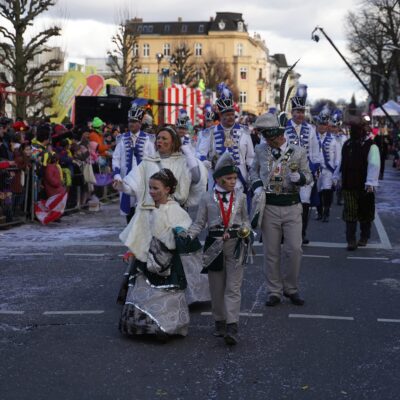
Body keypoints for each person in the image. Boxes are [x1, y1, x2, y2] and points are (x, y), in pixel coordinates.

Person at [115, 125, 210, 304]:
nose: (160, 141)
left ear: (173, 142)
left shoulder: (182, 160)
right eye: (158, 138)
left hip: (172, 213)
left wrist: (189, 154)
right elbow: (133, 185)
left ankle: (179, 293)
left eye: (164, 138)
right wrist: (122, 187)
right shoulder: (148, 162)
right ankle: (146, 294)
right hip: (148, 214)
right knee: (146, 253)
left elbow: (197, 178)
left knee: (173, 252)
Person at [118, 169, 191, 339]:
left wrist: (177, 233)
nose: (151, 191)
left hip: (167, 260)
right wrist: (131, 250)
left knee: (166, 292)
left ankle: (167, 326)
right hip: (144, 258)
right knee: (143, 290)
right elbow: (137, 232)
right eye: (150, 187)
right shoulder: (144, 208)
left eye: (156, 188)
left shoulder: (176, 211)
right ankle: (142, 326)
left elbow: (182, 233)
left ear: (167, 189)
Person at [187, 152, 251, 345]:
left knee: (233, 287)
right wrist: (188, 236)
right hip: (214, 245)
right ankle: (220, 321)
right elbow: (199, 223)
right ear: (218, 179)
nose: (233, 182)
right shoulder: (207, 198)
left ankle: (232, 325)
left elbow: (245, 219)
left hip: (236, 244)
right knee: (216, 287)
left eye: (235, 178)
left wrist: (246, 230)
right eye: (229, 178)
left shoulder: (240, 197)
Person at [250, 112, 312, 307]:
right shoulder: (260, 150)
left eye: (272, 139)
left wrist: (300, 178)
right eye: (267, 139)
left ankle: (291, 288)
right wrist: (257, 186)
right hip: (269, 206)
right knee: (271, 251)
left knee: (294, 250)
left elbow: (309, 176)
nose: (269, 142)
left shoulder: (298, 151)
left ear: (280, 135)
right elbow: (253, 171)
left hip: (292, 205)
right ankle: (274, 290)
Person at [196, 83, 254, 191]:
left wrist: (252, 175)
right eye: (227, 115)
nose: (230, 117)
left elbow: (250, 158)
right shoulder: (210, 133)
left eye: (232, 114)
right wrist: (205, 161)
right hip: (216, 181)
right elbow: (199, 153)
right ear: (220, 116)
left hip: (239, 183)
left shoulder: (245, 132)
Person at [333, 118, 380, 250]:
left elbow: (374, 165)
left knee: (365, 212)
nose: (353, 131)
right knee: (350, 212)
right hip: (349, 184)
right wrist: (337, 176)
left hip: (365, 185)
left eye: (356, 128)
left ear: (362, 130)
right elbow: (342, 162)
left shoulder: (371, 146)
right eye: (352, 128)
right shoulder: (347, 144)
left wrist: (370, 183)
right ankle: (351, 240)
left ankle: (364, 236)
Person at [284, 85, 320, 244]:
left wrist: (315, 168)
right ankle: (285, 233)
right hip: (287, 172)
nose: (300, 115)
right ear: (292, 112)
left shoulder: (310, 129)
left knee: (304, 202)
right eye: (297, 111)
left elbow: (315, 151)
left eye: (302, 111)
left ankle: (301, 233)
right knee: (287, 204)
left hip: (305, 172)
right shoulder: (284, 127)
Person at [112, 105, 153, 223]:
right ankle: (130, 230)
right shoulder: (121, 138)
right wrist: (116, 174)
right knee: (128, 208)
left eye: (134, 122)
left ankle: (140, 231)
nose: (131, 124)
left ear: (140, 123)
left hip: (143, 179)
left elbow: (153, 159)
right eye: (130, 121)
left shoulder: (148, 139)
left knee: (142, 207)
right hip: (126, 178)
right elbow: (116, 158)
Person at [315, 109, 341, 222]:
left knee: (327, 191)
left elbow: (338, 158)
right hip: (316, 170)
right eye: (320, 124)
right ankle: (319, 212)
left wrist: (336, 174)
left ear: (327, 126)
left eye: (324, 124)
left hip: (328, 170)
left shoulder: (334, 140)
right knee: (317, 192)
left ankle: (326, 213)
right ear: (317, 124)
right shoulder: (312, 138)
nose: (322, 126)